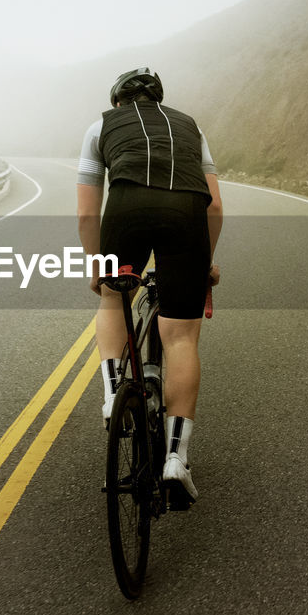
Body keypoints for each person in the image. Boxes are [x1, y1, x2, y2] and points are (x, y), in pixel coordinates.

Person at [77, 67, 223, 506]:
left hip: (127, 208)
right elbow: (214, 205)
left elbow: (87, 214)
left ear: (118, 101)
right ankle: (176, 459)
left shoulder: (101, 125)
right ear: (159, 101)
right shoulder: (190, 127)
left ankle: (112, 393)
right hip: (186, 216)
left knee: (113, 299)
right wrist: (206, 264)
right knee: (179, 337)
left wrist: (97, 264)